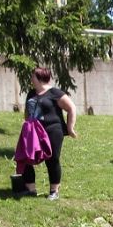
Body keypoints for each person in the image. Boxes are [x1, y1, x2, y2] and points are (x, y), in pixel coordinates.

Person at [21, 67, 76, 199]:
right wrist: (27, 124)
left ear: (39, 78)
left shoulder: (55, 93)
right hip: (33, 132)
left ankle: (54, 191)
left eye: (33, 76)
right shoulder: (31, 93)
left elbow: (71, 108)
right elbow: (27, 111)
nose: (31, 79)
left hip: (52, 130)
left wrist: (70, 128)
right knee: (26, 158)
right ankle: (31, 189)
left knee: (52, 160)